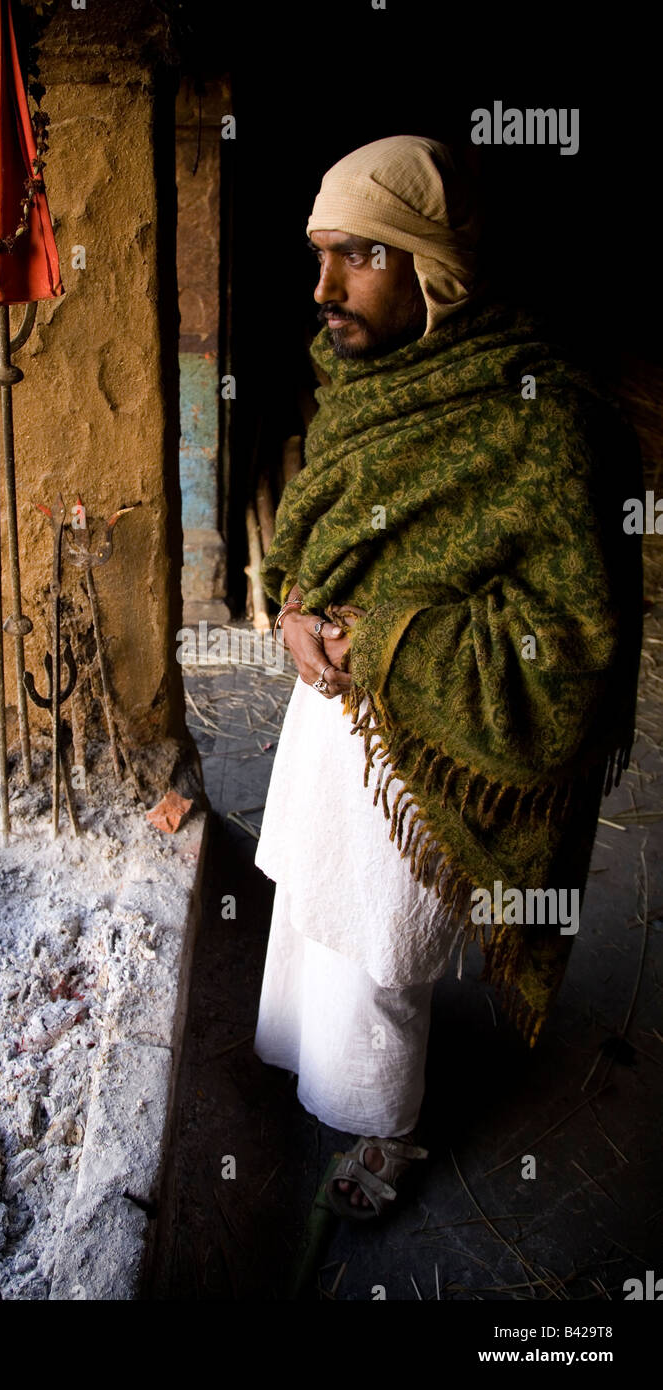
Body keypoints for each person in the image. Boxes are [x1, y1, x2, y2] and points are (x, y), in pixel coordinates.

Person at [254, 135, 642, 1220]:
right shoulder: (364, 378)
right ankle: (307, 1068)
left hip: (424, 754)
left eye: (360, 256)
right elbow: (314, 542)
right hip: (332, 729)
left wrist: (377, 638)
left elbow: (567, 643)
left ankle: (380, 1122)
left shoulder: (546, 421)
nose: (324, 288)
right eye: (319, 252)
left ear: (436, 269)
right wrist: (292, 614)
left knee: (377, 945)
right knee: (312, 912)